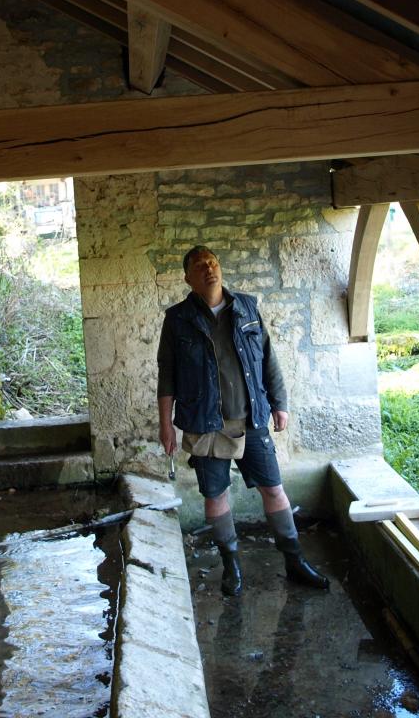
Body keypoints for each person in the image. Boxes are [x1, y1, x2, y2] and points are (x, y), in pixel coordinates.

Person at [156, 245, 329, 596]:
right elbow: (167, 376)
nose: (209, 269)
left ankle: (294, 560)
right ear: (188, 278)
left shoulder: (247, 307)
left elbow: (268, 359)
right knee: (216, 494)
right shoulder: (177, 319)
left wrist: (280, 403)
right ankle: (231, 565)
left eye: (213, 263)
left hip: (252, 419)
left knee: (273, 488)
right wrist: (165, 425)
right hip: (206, 424)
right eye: (200, 266)